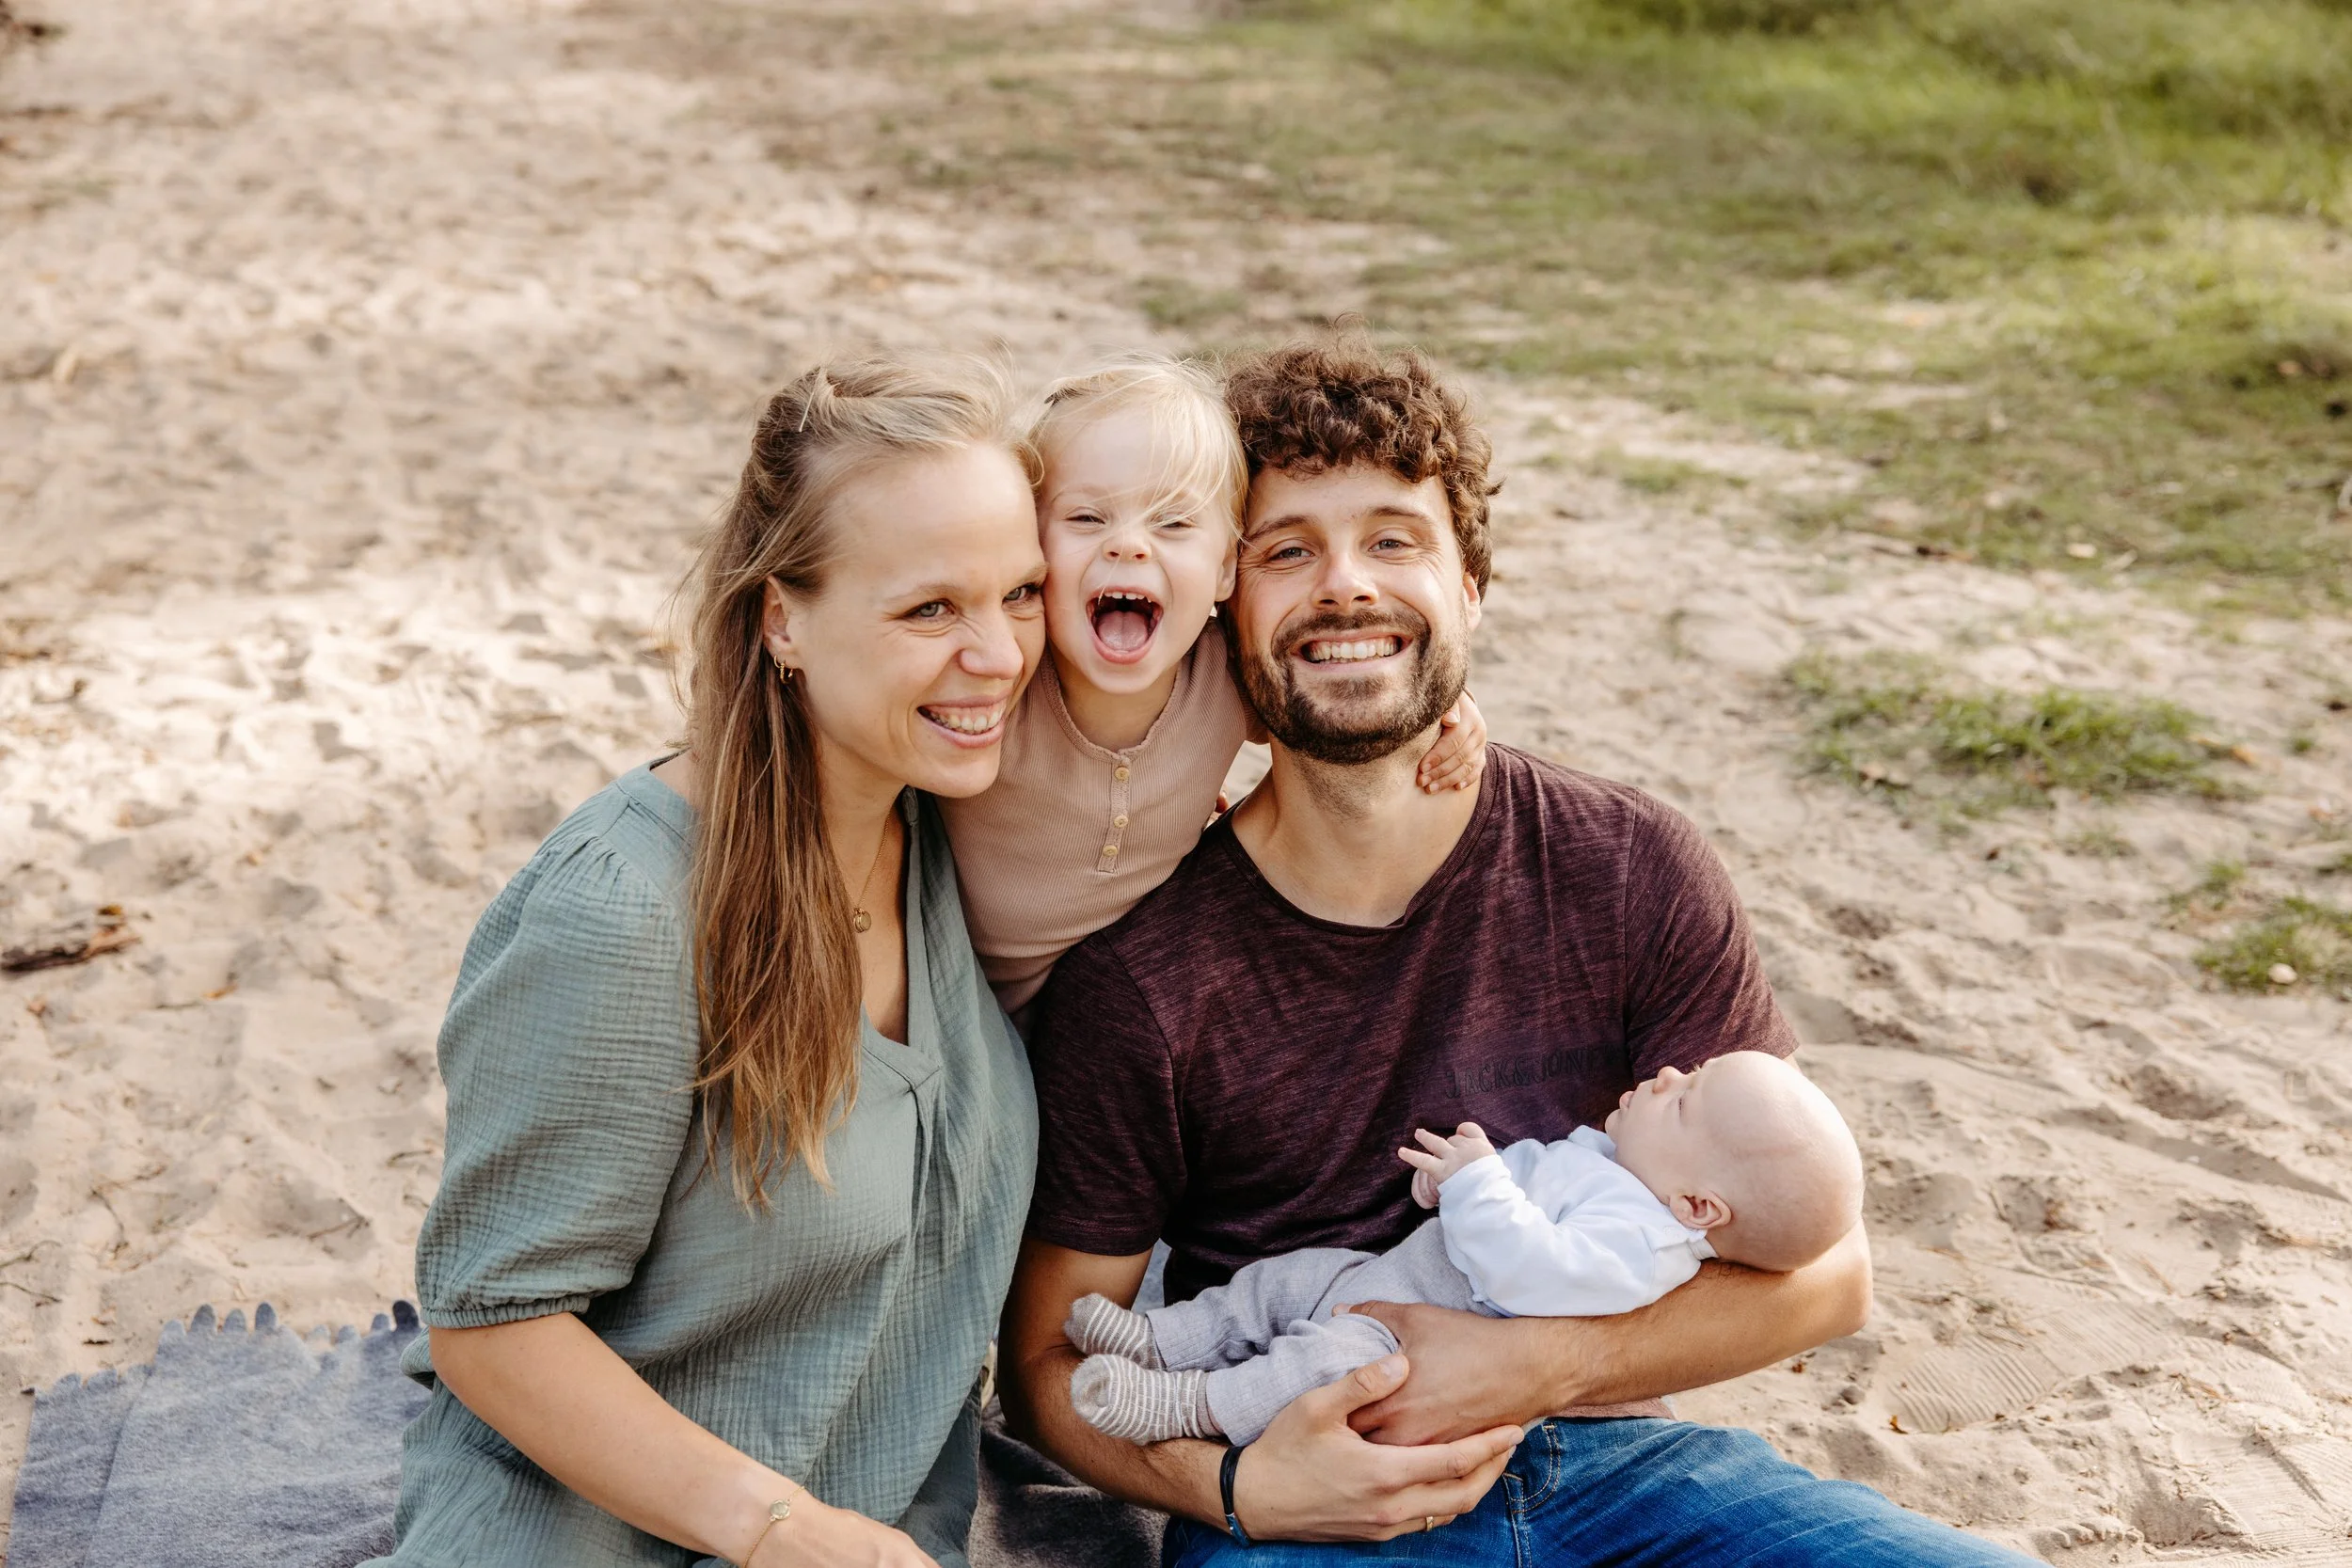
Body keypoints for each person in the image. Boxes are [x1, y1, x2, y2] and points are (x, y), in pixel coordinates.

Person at [998, 332, 2036, 1565]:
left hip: (1625, 1461)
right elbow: (1053, 1361)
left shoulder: (1629, 862)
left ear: (1471, 586)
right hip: (1319, 1486)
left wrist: (1535, 1359)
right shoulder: (1146, 972)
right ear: (1226, 603)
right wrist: (1245, 1494)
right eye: (1289, 549)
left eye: (1394, 538)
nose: (1345, 586)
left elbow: (1832, 1272)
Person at [371, 357, 1046, 1568]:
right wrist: (780, 1530)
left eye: (1022, 592)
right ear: (782, 616)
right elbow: (491, 1319)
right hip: (590, 1538)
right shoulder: (621, 916)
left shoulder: (948, 821)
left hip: (878, 1532)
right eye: (929, 609)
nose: (998, 654)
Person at [938, 356, 1482, 1022]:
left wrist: (1455, 706)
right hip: (948, 993)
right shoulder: (1007, 678)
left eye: (1173, 523)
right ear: (1031, 547)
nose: (1130, 546)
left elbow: (1349, 679)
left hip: (1108, 1016)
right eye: (1086, 519)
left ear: (1226, 567)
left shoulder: (1225, 678)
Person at [1063, 1051, 1865, 1447]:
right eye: (1684, 1073)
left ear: (1697, 1204)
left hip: (1415, 1335)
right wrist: (1459, 1176)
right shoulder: (1621, 1167)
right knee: (1281, 1282)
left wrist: (1479, 1185)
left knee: (1316, 1364)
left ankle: (1185, 1407)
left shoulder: (1644, 1242)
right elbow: (1524, 1181)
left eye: (1684, 1100)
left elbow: (1536, 1267)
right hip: (1392, 1275)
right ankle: (1164, 1340)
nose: (1663, 1074)